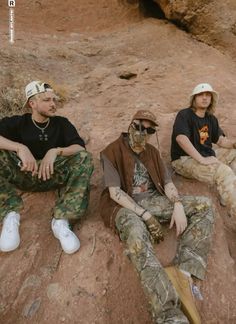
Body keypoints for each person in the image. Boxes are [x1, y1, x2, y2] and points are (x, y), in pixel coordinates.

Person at [100, 110, 214, 323]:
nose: (144, 132)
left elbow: (167, 182)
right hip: (125, 206)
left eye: (150, 129)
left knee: (204, 205)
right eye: (139, 127)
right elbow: (115, 193)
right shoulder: (112, 151)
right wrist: (145, 216)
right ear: (130, 124)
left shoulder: (152, 151)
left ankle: (185, 270)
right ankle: (168, 314)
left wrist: (178, 204)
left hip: (153, 199)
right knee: (135, 235)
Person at [0, 81, 93, 254]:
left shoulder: (61, 123)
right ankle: (10, 214)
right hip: (23, 175)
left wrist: (55, 151)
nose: (53, 104)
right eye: (47, 100)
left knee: (84, 158)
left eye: (54, 100)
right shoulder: (18, 123)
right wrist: (19, 148)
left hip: (53, 176)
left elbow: (80, 148)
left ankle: (62, 219)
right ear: (32, 103)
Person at [171, 83, 236, 219]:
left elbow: (220, 141)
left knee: (234, 154)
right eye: (201, 95)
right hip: (184, 160)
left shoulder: (211, 119)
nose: (205, 98)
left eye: (208, 95)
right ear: (194, 98)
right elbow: (181, 139)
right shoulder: (184, 115)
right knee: (224, 171)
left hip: (205, 156)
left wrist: (234, 144)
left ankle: (228, 191)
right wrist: (202, 159)